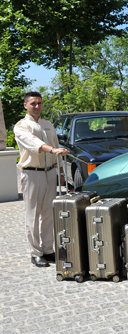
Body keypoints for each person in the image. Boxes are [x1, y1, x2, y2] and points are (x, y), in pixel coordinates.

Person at [14, 91, 69, 268]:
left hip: (50, 173)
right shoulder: (21, 126)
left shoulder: (47, 124)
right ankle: (35, 253)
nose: (37, 106)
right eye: (33, 104)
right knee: (32, 215)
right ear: (26, 106)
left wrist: (60, 170)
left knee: (48, 214)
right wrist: (52, 151)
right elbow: (33, 143)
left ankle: (48, 249)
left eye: (39, 103)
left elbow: (56, 144)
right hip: (32, 173)